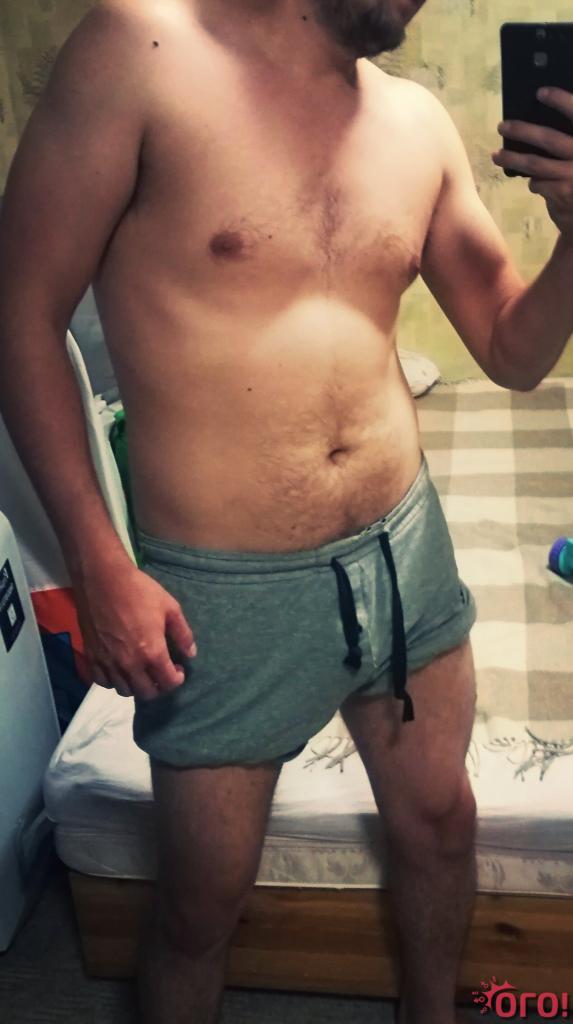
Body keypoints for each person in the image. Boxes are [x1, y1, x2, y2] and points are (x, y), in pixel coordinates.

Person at [1, 1, 572, 1022]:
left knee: (441, 823)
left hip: (403, 553)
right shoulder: (142, 51)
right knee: (200, 908)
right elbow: (21, 314)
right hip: (226, 590)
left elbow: (513, 352)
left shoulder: (414, 122)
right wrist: (99, 563)